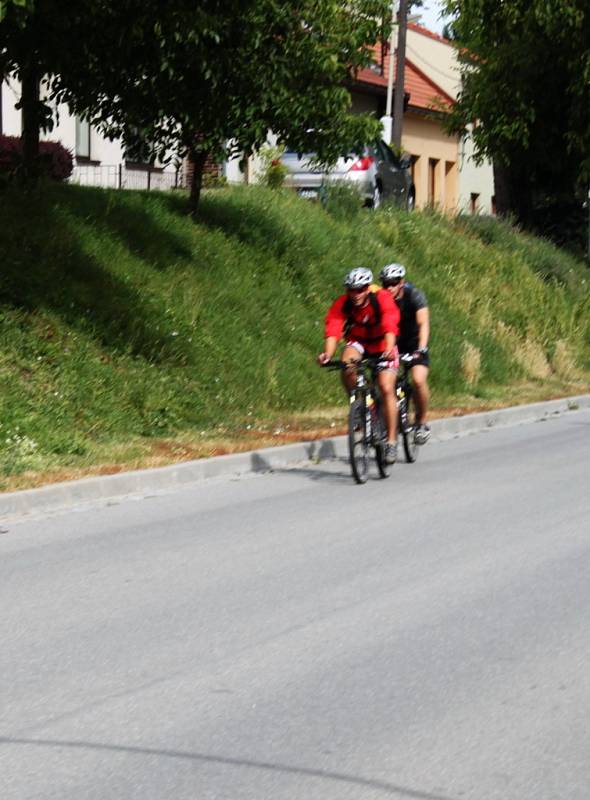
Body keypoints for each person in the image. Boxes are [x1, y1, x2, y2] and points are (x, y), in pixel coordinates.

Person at [318, 267, 401, 464]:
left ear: (367, 288)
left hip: (383, 343)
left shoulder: (381, 298)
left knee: (386, 387)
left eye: (360, 289)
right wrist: (327, 354)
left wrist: (389, 349)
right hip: (359, 342)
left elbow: (390, 323)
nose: (355, 294)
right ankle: (359, 406)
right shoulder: (343, 303)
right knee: (347, 365)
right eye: (351, 289)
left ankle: (390, 442)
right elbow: (333, 328)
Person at [379, 263, 431, 444]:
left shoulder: (414, 295)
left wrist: (421, 349)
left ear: (402, 282)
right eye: (386, 284)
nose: (389, 287)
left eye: (393, 283)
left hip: (414, 343)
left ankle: (422, 420)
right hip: (392, 343)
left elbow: (423, 323)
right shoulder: (380, 298)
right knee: (385, 384)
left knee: (418, 379)